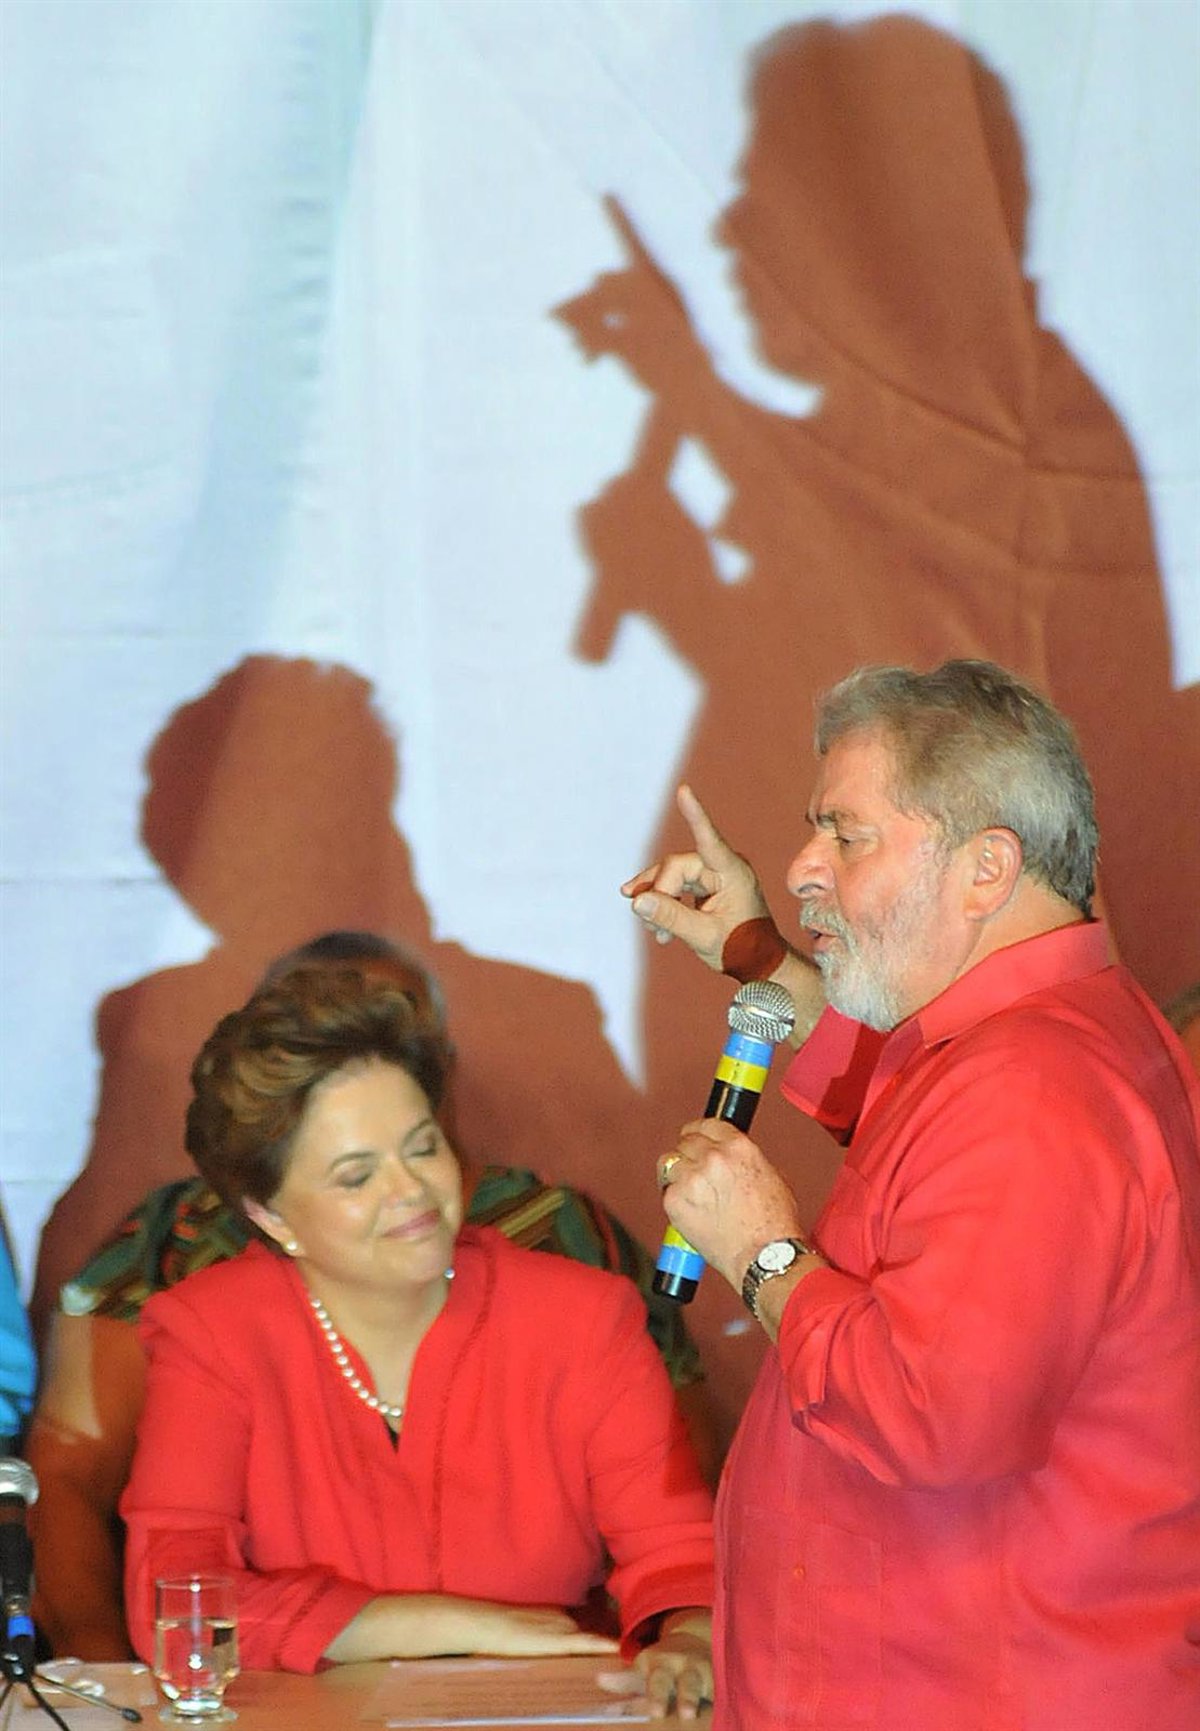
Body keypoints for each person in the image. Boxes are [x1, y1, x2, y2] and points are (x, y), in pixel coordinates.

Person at [623, 660, 1200, 1729]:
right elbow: (902, 1117)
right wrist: (754, 953)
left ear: (986, 869)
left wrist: (762, 1251)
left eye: (846, 836)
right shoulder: (1037, 1039)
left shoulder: (1035, 1091)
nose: (802, 867)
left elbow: (930, 1415)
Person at [27, 932, 711, 1664]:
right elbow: (180, 1603)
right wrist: (462, 1627)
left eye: (422, 1147)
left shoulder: (586, 1317)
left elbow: (682, 1560)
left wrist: (691, 1642)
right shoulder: (210, 1332)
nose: (410, 1190)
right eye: (357, 1175)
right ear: (271, 1215)